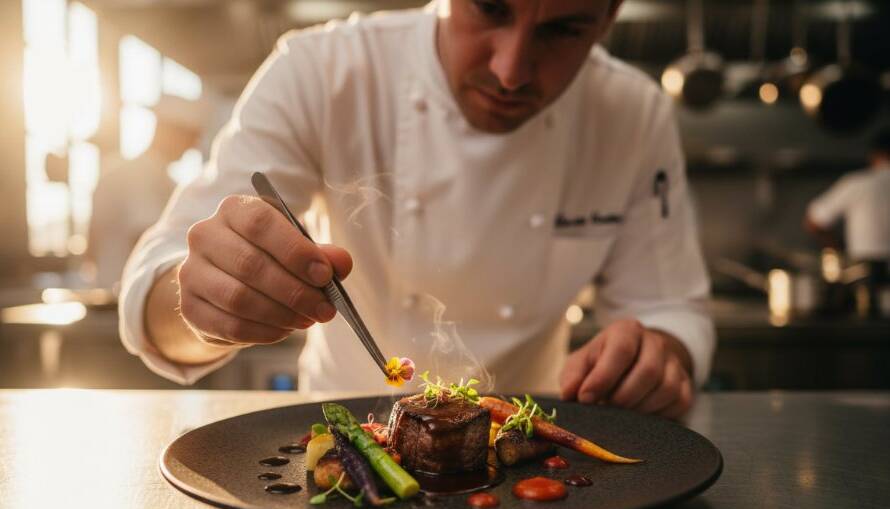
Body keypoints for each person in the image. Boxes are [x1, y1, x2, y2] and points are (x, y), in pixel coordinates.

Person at [119, 0, 715, 420]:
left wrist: (660, 354)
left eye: (561, 32)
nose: (510, 72)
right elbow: (155, 294)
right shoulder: (320, 70)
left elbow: (669, 307)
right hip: (345, 452)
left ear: (608, 17)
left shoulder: (633, 114)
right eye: (490, 8)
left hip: (528, 466)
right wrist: (202, 305)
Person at [87, 95, 208, 290]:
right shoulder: (140, 176)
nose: (192, 147)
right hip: (122, 295)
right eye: (190, 137)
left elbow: (90, 241)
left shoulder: (150, 175)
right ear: (168, 132)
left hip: (121, 291)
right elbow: (146, 236)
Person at [805, 126, 890, 284]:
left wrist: (838, 248)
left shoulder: (857, 184)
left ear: (875, 155)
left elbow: (814, 221)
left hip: (865, 272)